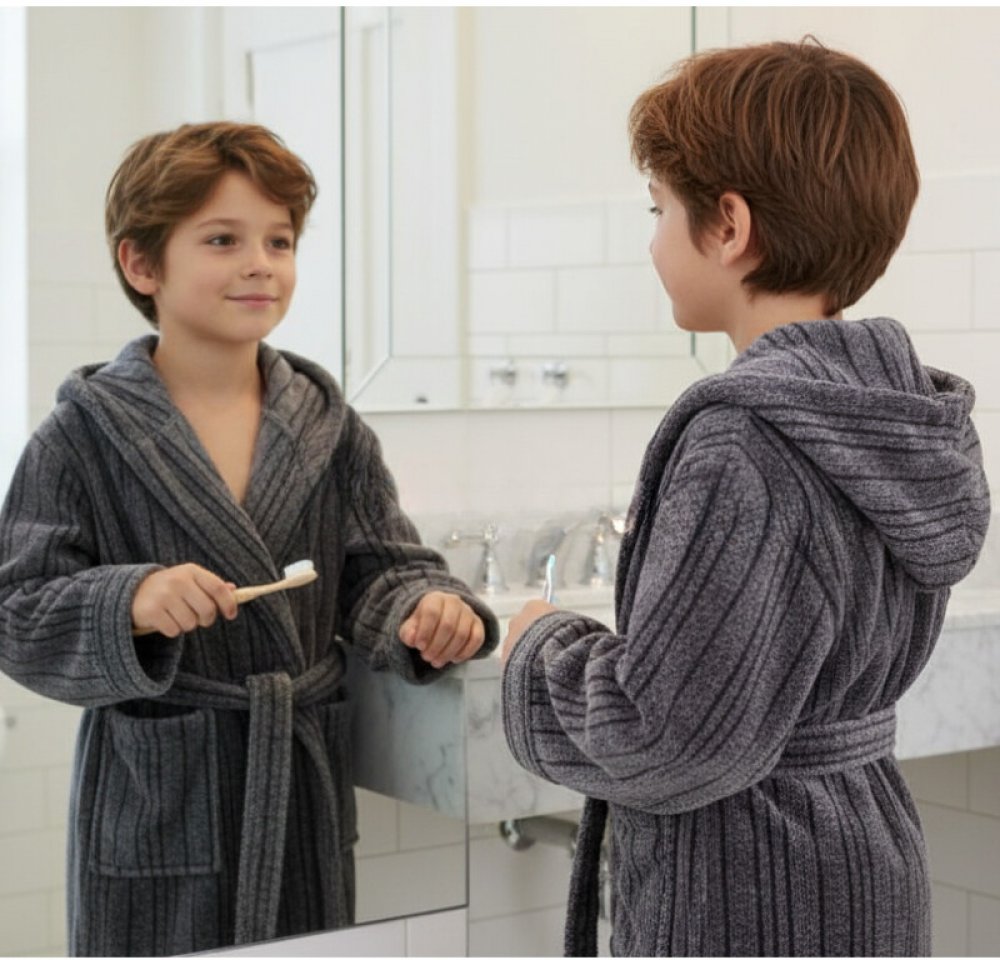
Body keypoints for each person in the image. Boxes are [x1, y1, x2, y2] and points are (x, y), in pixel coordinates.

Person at [501, 38, 991, 957]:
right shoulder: (898, 419)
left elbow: (668, 735)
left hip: (743, 891)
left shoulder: (742, 439)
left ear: (727, 225)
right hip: (868, 864)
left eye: (658, 209)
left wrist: (541, 645)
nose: (652, 240)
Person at [0, 121, 497, 956]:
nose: (261, 263)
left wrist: (425, 607)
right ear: (142, 264)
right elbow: (17, 608)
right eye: (223, 240)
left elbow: (381, 568)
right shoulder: (82, 436)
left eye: (280, 240)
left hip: (297, 787)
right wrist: (132, 600)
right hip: (161, 799)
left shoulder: (329, 427)